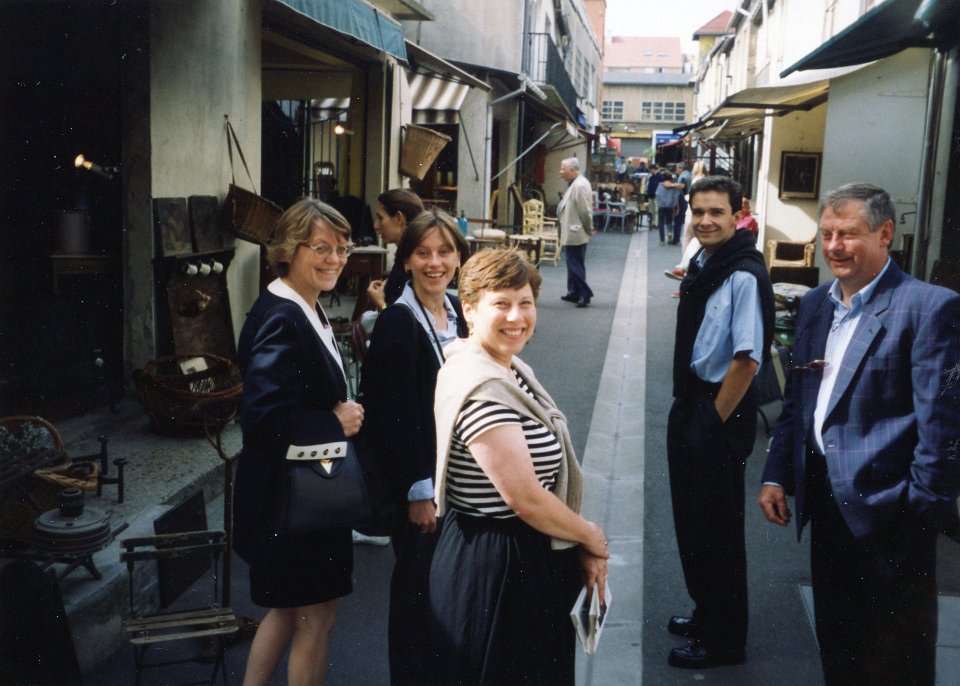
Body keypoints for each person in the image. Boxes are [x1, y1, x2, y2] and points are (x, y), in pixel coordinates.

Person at [759, 183, 960, 686]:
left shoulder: (927, 307)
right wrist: (776, 474)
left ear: (885, 234)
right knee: (840, 648)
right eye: (826, 233)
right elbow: (799, 403)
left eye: (848, 234)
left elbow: (943, 428)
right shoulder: (816, 305)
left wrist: (916, 508)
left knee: (897, 662)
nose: (833, 247)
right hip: (827, 506)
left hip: (893, 516)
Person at [428, 249, 610, 685]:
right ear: (469, 309)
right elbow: (524, 497)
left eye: (525, 302)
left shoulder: (507, 368)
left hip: (514, 555)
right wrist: (590, 537)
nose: (517, 316)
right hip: (497, 565)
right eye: (501, 303)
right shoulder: (482, 385)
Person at [233, 198, 364, 685]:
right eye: (321, 248)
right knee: (316, 615)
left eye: (343, 249)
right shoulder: (283, 316)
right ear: (289, 249)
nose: (335, 259)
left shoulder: (302, 303)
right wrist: (333, 423)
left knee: (290, 612)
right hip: (293, 503)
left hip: (298, 497)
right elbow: (261, 422)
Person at [666, 176, 775, 669]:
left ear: (738, 215)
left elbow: (747, 360)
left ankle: (725, 640)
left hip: (718, 409)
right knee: (693, 522)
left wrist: (711, 421)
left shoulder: (743, 274)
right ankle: (707, 614)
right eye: (699, 212)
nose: (706, 220)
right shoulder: (707, 261)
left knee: (718, 532)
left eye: (716, 212)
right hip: (693, 399)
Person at [359, 209, 470, 685]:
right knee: (416, 599)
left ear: (458, 258)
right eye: (422, 253)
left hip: (460, 481)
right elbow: (393, 418)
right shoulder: (398, 322)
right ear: (405, 261)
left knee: (449, 598)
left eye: (444, 252)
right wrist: (417, 491)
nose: (434, 263)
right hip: (423, 489)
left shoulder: (460, 312)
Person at [366, 189, 425, 313]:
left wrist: (381, 304)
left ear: (399, 218)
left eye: (380, 218)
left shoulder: (412, 262)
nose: (376, 225)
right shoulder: (408, 254)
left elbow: (406, 318)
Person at [557, 157, 596, 308]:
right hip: (573, 229)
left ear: (572, 170)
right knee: (573, 262)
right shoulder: (577, 183)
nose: (561, 172)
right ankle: (573, 292)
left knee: (574, 263)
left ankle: (584, 293)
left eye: (563, 169)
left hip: (576, 230)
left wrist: (588, 227)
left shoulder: (579, 185)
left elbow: (584, 211)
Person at [655, 171, 681, 246]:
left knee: (661, 223)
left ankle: (662, 240)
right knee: (669, 222)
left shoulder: (660, 185)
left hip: (661, 206)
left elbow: (657, 194)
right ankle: (669, 235)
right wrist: (675, 204)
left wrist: (659, 203)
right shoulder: (673, 186)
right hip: (670, 206)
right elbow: (676, 196)